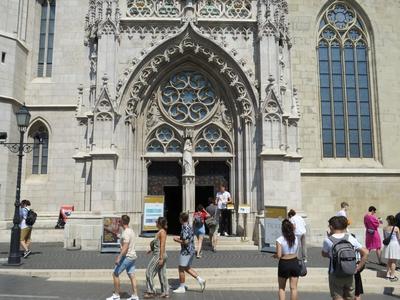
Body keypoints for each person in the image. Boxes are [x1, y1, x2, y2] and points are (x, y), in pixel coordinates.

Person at [322, 216, 368, 300]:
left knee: (337, 296)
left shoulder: (328, 240)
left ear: (331, 227)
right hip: (350, 273)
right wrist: (358, 268)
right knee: (349, 297)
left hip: (335, 273)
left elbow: (324, 254)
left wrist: (333, 255)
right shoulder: (350, 238)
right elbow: (365, 252)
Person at [107, 215, 139, 300]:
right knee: (132, 275)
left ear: (122, 222)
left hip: (127, 257)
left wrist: (119, 257)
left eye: (119, 221)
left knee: (115, 274)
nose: (118, 222)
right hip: (133, 256)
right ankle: (135, 295)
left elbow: (125, 247)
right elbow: (125, 240)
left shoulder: (126, 233)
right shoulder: (130, 231)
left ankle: (116, 295)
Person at [173, 212, 206, 294]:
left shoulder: (184, 227)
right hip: (191, 250)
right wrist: (180, 238)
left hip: (186, 251)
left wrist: (176, 239)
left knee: (181, 268)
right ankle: (200, 280)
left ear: (181, 219)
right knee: (186, 267)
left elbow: (186, 242)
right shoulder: (189, 226)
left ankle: (182, 287)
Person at [273, 219, 301, 300]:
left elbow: (278, 255)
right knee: (294, 288)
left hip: (284, 263)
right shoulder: (295, 238)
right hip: (294, 261)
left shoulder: (280, 239)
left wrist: (274, 256)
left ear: (282, 228)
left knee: (282, 288)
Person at [144, 217, 169, 299]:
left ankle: (151, 291)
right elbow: (157, 244)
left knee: (149, 271)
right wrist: (151, 249)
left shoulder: (162, 232)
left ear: (159, 224)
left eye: (156, 222)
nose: (155, 223)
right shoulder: (161, 232)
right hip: (159, 254)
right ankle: (165, 292)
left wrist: (161, 258)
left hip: (159, 255)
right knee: (162, 274)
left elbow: (162, 245)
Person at [383, 215, 400, 281]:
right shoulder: (396, 228)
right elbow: (398, 238)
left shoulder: (384, 228)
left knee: (389, 261)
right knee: (394, 261)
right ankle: (392, 276)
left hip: (388, 245)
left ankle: (387, 275)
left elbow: (385, 238)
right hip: (395, 245)